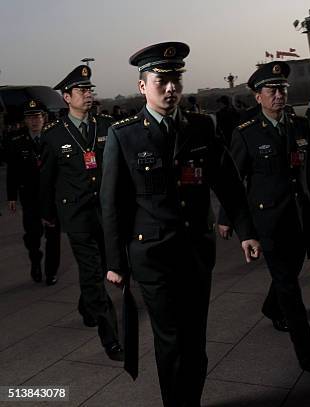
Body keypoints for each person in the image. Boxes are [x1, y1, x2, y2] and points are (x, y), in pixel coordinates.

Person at [100, 42, 261, 407]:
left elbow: (229, 182)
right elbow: (112, 204)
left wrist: (246, 231)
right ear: (143, 86)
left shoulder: (201, 127)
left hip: (196, 251)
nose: (171, 88)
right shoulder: (123, 134)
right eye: (162, 80)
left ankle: (190, 398)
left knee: (195, 337)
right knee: (171, 338)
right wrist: (115, 263)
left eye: (176, 80)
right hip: (153, 254)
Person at [216, 61, 310, 374]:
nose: (279, 95)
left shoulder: (300, 126)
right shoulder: (246, 134)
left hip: (299, 217)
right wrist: (228, 219)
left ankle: (269, 306)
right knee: (289, 285)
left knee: (289, 271)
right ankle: (306, 352)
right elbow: (233, 182)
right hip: (269, 221)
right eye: (271, 90)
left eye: (283, 89)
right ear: (257, 96)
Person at [39, 65, 123, 360]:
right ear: (66, 97)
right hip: (75, 215)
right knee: (92, 271)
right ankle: (111, 337)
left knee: (102, 265)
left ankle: (86, 305)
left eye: (90, 90)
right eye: (81, 91)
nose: (88, 95)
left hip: (105, 212)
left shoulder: (106, 125)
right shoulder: (52, 135)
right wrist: (48, 215)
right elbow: (45, 180)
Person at [5, 100, 60, 284]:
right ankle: (35, 261)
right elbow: (12, 171)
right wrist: (11, 196)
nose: (34, 121)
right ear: (25, 121)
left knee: (53, 236)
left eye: (37, 116)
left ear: (43, 118)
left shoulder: (54, 139)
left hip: (51, 197)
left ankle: (51, 272)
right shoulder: (16, 142)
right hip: (29, 197)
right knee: (32, 236)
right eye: (30, 117)